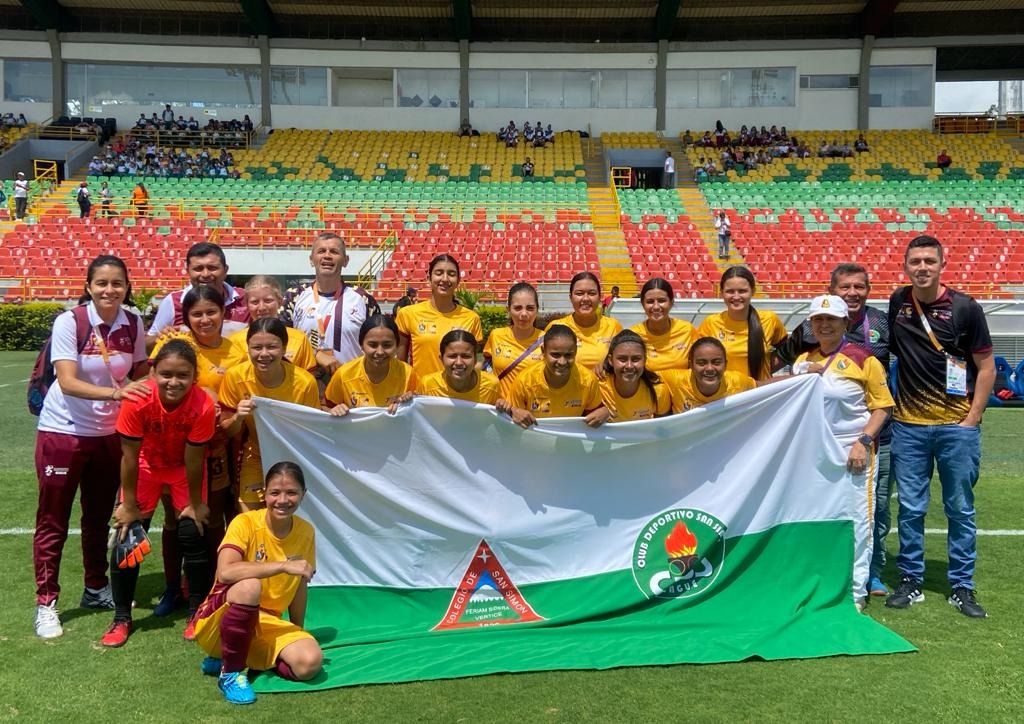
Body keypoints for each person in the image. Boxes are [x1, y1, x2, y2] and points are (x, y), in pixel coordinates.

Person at [32, 256, 150, 639]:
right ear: (88, 286)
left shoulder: (133, 322)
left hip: (109, 433)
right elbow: (67, 382)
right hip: (63, 431)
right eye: (101, 283)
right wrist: (117, 392)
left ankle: (95, 588)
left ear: (127, 286)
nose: (109, 290)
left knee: (98, 516)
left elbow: (142, 372)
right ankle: (46, 602)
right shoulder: (71, 321)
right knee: (53, 519)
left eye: (117, 283)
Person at [885, 236, 995, 618]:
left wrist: (973, 417)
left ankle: (962, 586)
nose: (922, 267)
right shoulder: (899, 302)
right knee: (912, 509)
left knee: (960, 509)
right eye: (915, 261)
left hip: (956, 429)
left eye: (929, 260)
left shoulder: (966, 308)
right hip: (909, 428)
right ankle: (911, 580)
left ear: (942, 264)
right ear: (905, 266)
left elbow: (986, 367)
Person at [773, 263, 894, 596]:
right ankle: (819, 581)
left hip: (853, 450)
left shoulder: (864, 359)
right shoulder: (802, 361)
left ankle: (855, 591)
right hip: (814, 455)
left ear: (845, 323)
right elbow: (770, 391)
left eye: (831, 320)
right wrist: (799, 375)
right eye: (819, 320)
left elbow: (883, 406)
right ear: (811, 324)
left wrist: (863, 441)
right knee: (817, 517)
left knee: (858, 519)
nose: (824, 325)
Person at [101, 339, 216, 648]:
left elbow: (194, 459)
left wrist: (194, 503)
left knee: (193, 532)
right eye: (166, 374)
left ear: (195, 376)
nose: (174, 382)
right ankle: (122, 617)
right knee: (128, 535)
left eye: (183, 375)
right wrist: (128, 504)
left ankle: (196, 611)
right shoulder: (138, 399)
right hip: (145, 466)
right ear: (153, 372)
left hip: (183, 468)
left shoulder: (203, 404)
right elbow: (129, 455)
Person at [193, 461, 322, 705]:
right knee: (250, 586)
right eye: (275, 492)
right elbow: (226, 573)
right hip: (218, 619)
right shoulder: (245, 523)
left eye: (291, 492)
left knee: (309, 664)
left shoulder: (306, 532)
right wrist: (282, 565)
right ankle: (230, 674)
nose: (282, 500)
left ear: (303, 495)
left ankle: (234, 656)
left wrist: (298, 629)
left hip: (266, 622)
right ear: (264, 493)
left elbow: (299, 585)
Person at [219, 318, 320, 511]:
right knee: (249, 519)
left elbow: (312, 431)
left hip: (293, 459)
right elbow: (227, 431)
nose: (264, 354)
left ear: (284, 348)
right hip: (255, 456)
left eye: (272, 347)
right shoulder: (235, 376)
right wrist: (237, 417)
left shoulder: (304, 382)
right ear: (247, 348)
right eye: (257, 347)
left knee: (289, 518)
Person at [281, 232, 375, 384]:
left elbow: (376, 343)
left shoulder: (363, 298)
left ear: (345, 260)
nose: (327, 256)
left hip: (351, 385)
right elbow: (281, 342)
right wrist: (316, 354)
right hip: (303, 385)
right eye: (321, 251)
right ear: (312, 260)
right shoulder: (294, 296)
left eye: (334, 251)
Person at [498, 324, 609, 428]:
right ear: (543, 351)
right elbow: (511, 416)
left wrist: (604, 412)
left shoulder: (588, 381)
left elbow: (596, 411)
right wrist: (513, 412)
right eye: (555, 355)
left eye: (568, 355)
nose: (562, 362)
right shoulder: (525, 381)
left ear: (575, 352)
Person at [395, 254, 483, 380]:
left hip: (458, 395)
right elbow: (401, 364)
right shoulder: (408, 314)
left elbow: (473, 362)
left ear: (458, 280)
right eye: (439, 273)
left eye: (451, 274)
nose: (445, 279)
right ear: (429, 278)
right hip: (421, 393)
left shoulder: (471, 318)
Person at [147, 242, 249, 346]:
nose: (205, 274)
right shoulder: (174, 302)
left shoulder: (245, 298)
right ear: (188, 271)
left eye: (212, 268)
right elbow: (148, 342)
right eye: (198, 269)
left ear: (225, 270)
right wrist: (165, 336)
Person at [696, 267, 787, 382]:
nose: (736, 296)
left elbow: (787, 351)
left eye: (742, 291)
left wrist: (767, 367)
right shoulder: (710, 323)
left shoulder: (770, 320)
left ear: (753, 291)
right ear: (721, 293)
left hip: (759, 393)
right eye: (730, 291)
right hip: (726, 395)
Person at [324, 315, 417, 416]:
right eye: (372, 345)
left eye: (387, 345)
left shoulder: (407, 374)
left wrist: (411, 402)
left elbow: (419, 411)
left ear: (396, 345)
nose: (380, 352)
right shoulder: (344, 375)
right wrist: (333, 410)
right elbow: (324, 407)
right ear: (361, 345)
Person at [229, 276, 316, 372]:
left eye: (268, 301)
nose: (261, 307)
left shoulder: (299, 339)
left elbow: (309, 376)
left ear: (280, 301)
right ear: (246, 304)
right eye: (255, 302)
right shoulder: (234, 342)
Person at [547, 272, 623, 371]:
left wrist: (607, 365)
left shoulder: (613, 326)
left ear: (600, 297)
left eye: (592, 293)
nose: (586, 298)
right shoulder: (555, 327)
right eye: (579, 293)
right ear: (570, 297)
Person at [660, 337, 756, 413]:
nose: (710, 368)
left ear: (726, 365)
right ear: (691, 365)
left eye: (716, 362)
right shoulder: (676, 380)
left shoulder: (738, 382)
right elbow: (647, 376)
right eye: (702, 363)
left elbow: (765, 387)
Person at [482, 282, 544, 400]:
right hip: (500, 410)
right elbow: (486, 367)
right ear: (508, 309)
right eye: (517, 308)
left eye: (530, 308)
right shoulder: (496, 335)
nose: (524, 314)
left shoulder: (546, 340)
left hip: (531, 412)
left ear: (537, 310)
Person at [599, 331, 671, 421]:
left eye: (636, 359)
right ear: (610, 360)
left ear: (645, 360)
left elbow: (663, 427)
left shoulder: (658, 390)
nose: (629, 366)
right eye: (622, 359)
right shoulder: (598, 387)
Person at [629, 277, 695, 372]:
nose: (656, 307)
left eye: (661, 300)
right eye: (650, 302)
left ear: (671, 302)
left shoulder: (687, 330)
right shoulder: (633, 335)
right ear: (643, 304)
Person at [419, 330, 500, 404]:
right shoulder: (428, 386)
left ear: (475, 359)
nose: (459, 362)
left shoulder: (491, 386)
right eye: (452, 356)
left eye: (466, 356)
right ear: (441, 359)